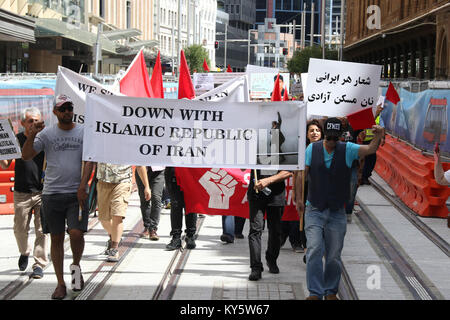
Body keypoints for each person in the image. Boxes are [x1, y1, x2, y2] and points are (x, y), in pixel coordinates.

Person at [295, 117, 384, 300]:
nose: (332, 142)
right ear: (324, 135)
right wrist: (298, 198)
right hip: (314, 209)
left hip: (336, 212)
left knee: (334, 254)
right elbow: (301, 174)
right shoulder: (313, 148)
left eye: (336, 138)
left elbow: (370, 149)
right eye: (329, 138)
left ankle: (330, 291)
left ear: (340, 137)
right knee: (314, 249)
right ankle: (315, 292)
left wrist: (377, 136)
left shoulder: (348, 149)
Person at [21, 94, 95, 300]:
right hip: (52, 194)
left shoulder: (83, 132)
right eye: (63, 109)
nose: (67, 112)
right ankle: (61, 283)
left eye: (70, 108)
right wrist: (30, 136)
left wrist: (83, 186)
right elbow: (26, 156)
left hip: (75, 193)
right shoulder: (47, 134)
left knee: (76, 233)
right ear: (55, 112)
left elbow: (90, 160)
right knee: (56, 238)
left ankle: (76, 266)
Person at [0, 107, 49, 279]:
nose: (34, 124)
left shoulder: (45, 140)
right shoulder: (17, 139)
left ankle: (39, 264)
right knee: (19, 229)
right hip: (22, 193)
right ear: (22, 123)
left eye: (37, 120)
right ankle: (24, 251)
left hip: (42, 192)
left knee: (42, 230)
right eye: (30, 121)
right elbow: (5, 165)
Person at [95, 163, 150, 262]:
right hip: (103, 181)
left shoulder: (128, 147)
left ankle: (114, 248)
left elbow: (139, 164)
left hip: (123, 181)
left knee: (117, 215)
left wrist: (146, 186)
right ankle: (114, 236)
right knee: (104, 219)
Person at [247, 169, 292, 281]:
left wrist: (268, 180)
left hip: (276, 195)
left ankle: (271, 259)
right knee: (255, 231)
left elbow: (289, 171)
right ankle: (256, 267)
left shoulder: (283, 150)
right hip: (256, 193)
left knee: (275, 231)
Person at [290, 120, 324, 253]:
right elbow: (296, 172)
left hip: (322, 191)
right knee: (305, 218)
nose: (315, 133)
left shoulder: (327, 149)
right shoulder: (302, 150)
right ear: (307, 134)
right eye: (311, 131)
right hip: (305, 189)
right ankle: (306, 248)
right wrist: (295, 191)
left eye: (317, 130)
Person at [165, 167, 197, 250]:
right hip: (173, 175)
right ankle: (176, 238)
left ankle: (190, 235)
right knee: (176, 206)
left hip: (191, 175)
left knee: (191, 206)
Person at [339, 117, 363, 223]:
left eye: (345, 116)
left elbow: (364, 123)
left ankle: (348, 212)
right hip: (337, 165)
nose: (342, 119)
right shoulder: (333, 127)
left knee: (351, 189)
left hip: (352, 165)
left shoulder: (353, 128)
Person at [136, 166, 165, 240]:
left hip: (159, 171)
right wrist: (146, 187)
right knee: (145, 199)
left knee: (156, 198)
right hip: (142, 171)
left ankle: (153, 228)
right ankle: (147, 226)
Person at [360, 104, 385, 185]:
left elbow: (382, 127)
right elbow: (364, 124)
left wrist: (383, 137)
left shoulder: (378, 116)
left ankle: (365, 177)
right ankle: (360, 176)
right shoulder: (362, 114)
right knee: (361, 160)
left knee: (371, 159)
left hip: (372, 142)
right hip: (361, 141)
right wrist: (376, 113)